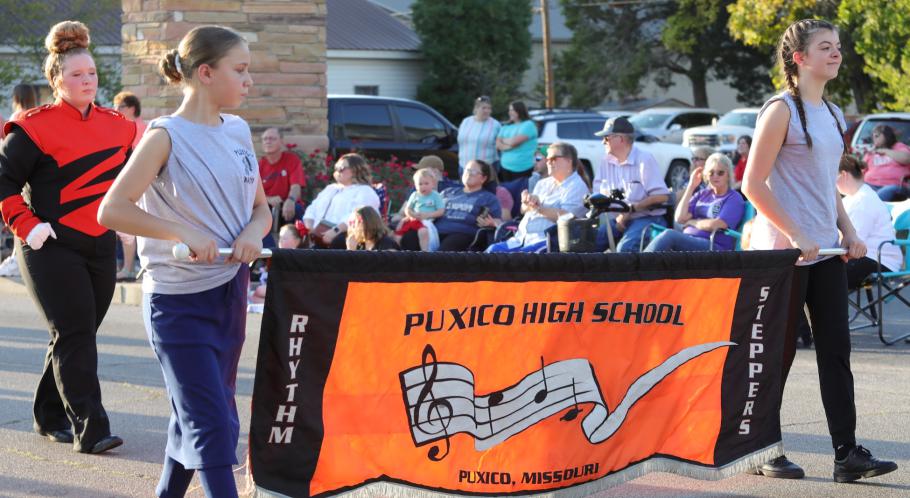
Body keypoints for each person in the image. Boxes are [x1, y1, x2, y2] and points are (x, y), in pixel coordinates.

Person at [97, 25, 270, 498]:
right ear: (205, 72)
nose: (248, 81)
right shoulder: (164, 136)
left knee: (196, 414)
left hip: (229, 295)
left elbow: (261, 207)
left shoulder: (238, 131)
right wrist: (184, 231)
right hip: (176, 304)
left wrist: (254, 233)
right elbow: (111, 209)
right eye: (241, 70)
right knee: (212, 421)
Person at [741, 18, 897, 483]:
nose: (836, 54)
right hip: (785, 256)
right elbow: (752, 184)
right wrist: (793, 235)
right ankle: (761, 450)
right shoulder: (779, 111)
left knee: (836, 352)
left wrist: (847, 229)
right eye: (825, 47)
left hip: (826, 251)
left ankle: (847, 455)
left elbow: (826, 186)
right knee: (776, 355)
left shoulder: (831, 114)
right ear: (800, 58)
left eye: (838, 47)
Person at [0, 21, 133, 454]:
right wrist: (28, 227)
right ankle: (91, 429)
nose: (87, 81)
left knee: (76, 334)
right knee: (75, 333)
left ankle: (48, 414)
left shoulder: (120, 126)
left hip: (100, 244)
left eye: (92, 73)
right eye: (77, 75)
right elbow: (2, 183)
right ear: (56, 79)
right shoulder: (33, 126)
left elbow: (138, 180)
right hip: (49, 245)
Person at [487, 142, 589, 253]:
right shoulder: (542, 183)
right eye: (547, 159)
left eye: (553, 159)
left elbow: (569, 218)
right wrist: (526, 203)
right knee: (490, 252)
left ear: (569, 162)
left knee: (515, 260)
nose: (548, 162)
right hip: (520, 239)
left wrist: (538, 209)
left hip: (548, 242)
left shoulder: (577, 186)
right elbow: (523, 210)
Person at [592, 116, 670, 252]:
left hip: (649, 218)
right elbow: (597, 194)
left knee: (625, 249)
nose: (603, 142)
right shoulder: (605, 161)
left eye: (606, 137)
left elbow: (661, 197)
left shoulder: (644, 159)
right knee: (585, 243)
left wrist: (631, 210)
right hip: (618, 220)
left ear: (620, 139)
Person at [644, 153, 744, 252]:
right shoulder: (702, 194)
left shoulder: (733, 198)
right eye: (711, 173)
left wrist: (692, 222)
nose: (715, 176)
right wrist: (691, 186)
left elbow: (718, 224)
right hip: (690, 241)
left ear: (728, 175)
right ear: (706, 176)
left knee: (669, 236)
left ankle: (639, 263)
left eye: (720, 173)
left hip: (714, 246)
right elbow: (680, 218)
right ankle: (641, 264)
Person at [400, 159, 502, 251]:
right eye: (467, 170)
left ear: (483, 178)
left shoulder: (489, 198)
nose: (468, 174)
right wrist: (415, 215)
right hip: (434, 231)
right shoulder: (448, 192)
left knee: (448, 247)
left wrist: (492, 223)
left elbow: (498, 222)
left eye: (473, 172)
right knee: (409, 237)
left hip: (462, 233)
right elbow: (430, 208)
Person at [837, 154, 902, 287]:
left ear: (843, 175)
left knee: (821, 276)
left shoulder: (863, 200)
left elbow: (853, 243)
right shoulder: (855, 198)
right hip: (869, 257)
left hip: (879, 261)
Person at [0, 84, 40, 277]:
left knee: (16, 217)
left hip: (17, 176)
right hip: (33, 177)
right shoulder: (36, 114)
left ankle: (17, 259)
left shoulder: (17, 118)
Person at [301, 153, 379, 249]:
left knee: (337, 241)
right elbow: (312, 209)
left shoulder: (365, 191)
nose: (337, 171)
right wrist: (309, 228)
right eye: (336, 167)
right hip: (317, 234)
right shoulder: (330, 189)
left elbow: (358, 216)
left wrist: (335, 231)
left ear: (355, 170)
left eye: (341, 168)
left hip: (343, 234)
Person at [111, 91, 148, 281]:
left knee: (126, 227)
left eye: (120, 107)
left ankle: (127, 268)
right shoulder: (138, 127)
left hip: (134, 185)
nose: (116, 110)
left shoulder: (136, 128)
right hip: (135, 184)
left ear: (132, 108)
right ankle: (127, 267)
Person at [248, 223, 303, 312]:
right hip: (280, 289)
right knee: (254, 296)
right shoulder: (280, 255)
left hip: (290, 290)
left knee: (259, 291)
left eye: (284, 238)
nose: (280, 241)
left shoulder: (297, 257)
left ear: (297, 241)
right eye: (280, 238)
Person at [259, 127, 305, 232]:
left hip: (287, 204)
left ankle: (295, 245)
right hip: (266, 205)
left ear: (281, 142)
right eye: (265, 139)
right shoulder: (259, 165)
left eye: (272, 139)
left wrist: (291, 200)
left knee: (296, 209)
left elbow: (296, 186)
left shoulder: (292, 160)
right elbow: (252, 195)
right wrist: (269, 200)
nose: (268, 142)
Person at [393, 168, 444, 251]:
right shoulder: (415, 195)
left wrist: (428, 215)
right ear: (415, 186)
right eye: (420, 184)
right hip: (414, 219)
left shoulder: (435, 196)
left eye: (426, 183)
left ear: (433, 184)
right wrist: (412, 214)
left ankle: (424, 251)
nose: (423, 186)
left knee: (423, 232)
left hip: (426, 221)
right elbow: (407, 209)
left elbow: (441, 211)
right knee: (398, 234)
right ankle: (397, 252)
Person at [862, 124, 910, 202]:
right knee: (859, 191)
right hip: (871, 185)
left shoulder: (899, 147)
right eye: (873, 137)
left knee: (884, 193)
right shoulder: (872, 152)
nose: (874, 139)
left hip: (894, 186)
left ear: (886, 135)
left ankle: (873, 203)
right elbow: (861, 169)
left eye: (877, 136)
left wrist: (885, 151)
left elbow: (906, 159)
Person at [496, 100, 538, 181]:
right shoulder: (506, 126)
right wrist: (510, 146)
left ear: (520, 110)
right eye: (509, 110)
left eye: (513, 110)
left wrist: (504, 141)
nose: (510, 112)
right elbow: (498, 144)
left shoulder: (528, 125)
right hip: (505, 167)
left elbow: (514, 142)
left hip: (524, 168)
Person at [457, 95, 500, 173]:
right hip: (464, 166)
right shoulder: (466, 121)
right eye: (483, 108)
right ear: (476, 108)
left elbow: (501, 145)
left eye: (489, 108)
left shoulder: (495, 125)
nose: (487, 111)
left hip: (485, 168)